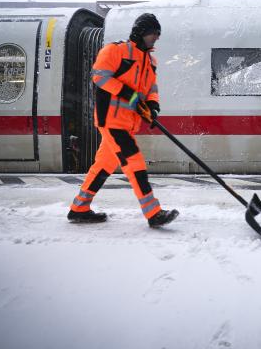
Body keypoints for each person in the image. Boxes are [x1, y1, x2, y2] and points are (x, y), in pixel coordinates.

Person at [67, 13, 179, 227]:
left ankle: (79, 208)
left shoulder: (150, 60)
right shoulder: (116, 50)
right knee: (134, 161)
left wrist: (153, 106)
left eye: (157, 35)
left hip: (128, 123)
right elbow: (99, 76)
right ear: (140, 32)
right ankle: (153, 213)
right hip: (111, 120)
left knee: (103, 166)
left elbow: (150, 88)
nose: (155, 39)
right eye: (151, 35)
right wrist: (129, 94)